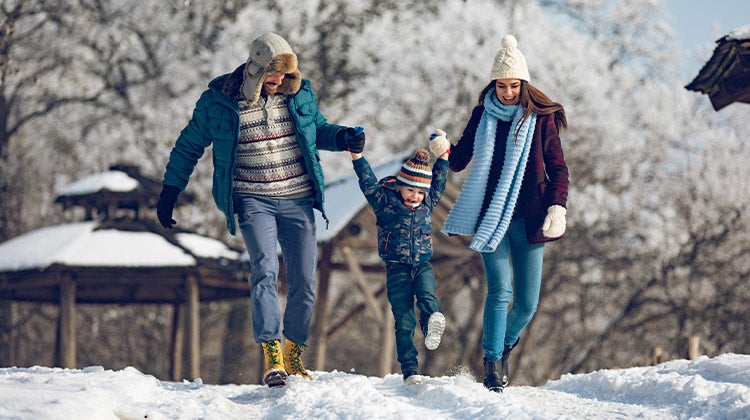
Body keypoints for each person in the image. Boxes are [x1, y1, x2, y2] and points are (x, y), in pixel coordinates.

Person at [156, 32, 366, 388]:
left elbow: (318, 130)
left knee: (304, 279)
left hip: (298, 197)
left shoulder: (298, 94)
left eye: (285, 75)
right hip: (253, 199)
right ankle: (272, 354)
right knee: (264, 270)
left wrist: (344, 137)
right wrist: (170, 190)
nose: (280, 81)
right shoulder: (219, 102)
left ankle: (294, 352)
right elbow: (189, 144)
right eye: (274, 74)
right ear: (255, 67)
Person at [440, 34, 569, 392]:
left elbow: (559, 169)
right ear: (492, 83)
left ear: (524, 84)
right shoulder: (483, 115)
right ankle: (492, 365)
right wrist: (443, 149)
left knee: (527, 304)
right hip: (490, 215)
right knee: (500, 291)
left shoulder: (541, 119)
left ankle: (504, 348)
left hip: (529, 219)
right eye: (501, 84)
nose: (508, 92)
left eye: (514, 85)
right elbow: (460, 158)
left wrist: (557, 206)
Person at [350, 133, 451, 385]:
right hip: (396, 269)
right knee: (404, 319)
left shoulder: (428, 203)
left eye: (419, 192)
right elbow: (368, 184)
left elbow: (438, 181)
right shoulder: (385, 204)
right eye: (410, 190)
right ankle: (410, 369)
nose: (415, 196)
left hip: (422, 264)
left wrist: (444, 156)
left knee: (428, 297)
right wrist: (357, 156)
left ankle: (430, 325)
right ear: (399, 186)